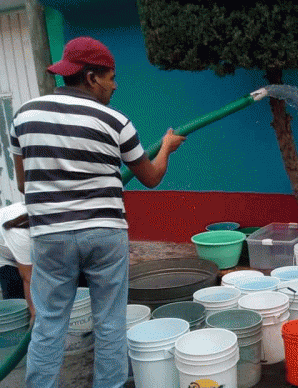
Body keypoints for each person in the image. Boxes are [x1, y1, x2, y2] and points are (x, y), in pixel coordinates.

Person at [9, 36, 186, 388]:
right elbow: (150, 177)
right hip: (104, 234)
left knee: (48, 324)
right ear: (90, 77)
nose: (115, 85)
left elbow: (23, 185)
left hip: (50, 235)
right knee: (109, 323)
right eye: (111, 77)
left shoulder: (24, 115)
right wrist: (166, 147)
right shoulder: (116, 121)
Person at [0, 202, 33, 317]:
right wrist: (34, 313)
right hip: (5, 255)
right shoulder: (18, 228)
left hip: (24, 244)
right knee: (16, 298)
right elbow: (28, 277)